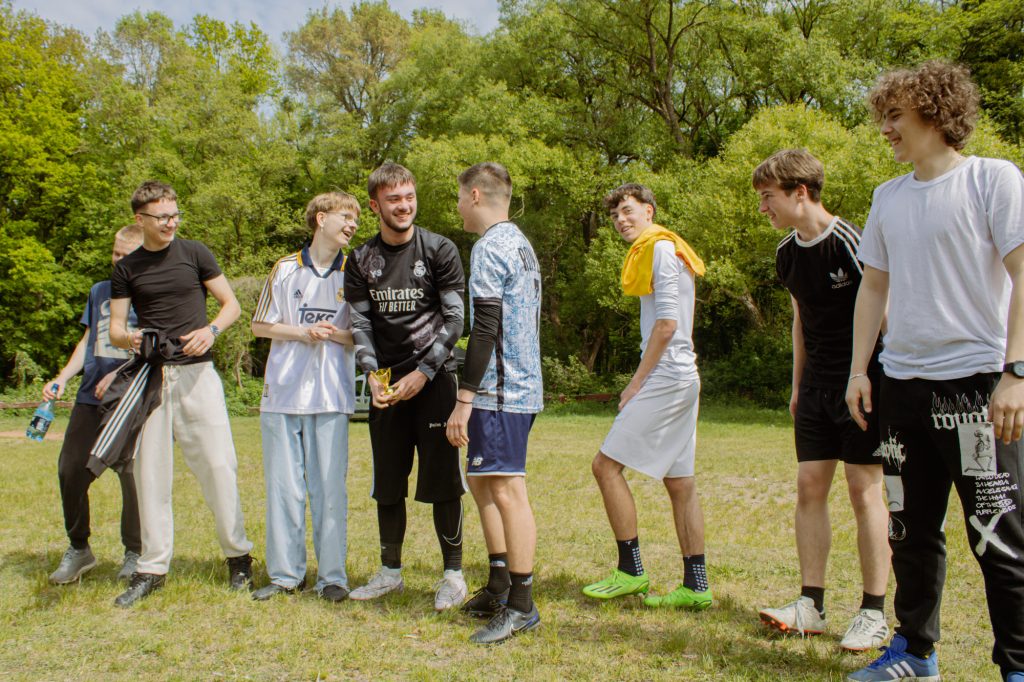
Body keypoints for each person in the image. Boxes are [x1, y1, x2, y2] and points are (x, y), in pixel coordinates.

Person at [845, 61, 1024, 682]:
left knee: (997, 536)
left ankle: (1017, 666)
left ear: (935, 112)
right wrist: (860, 371)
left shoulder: (992, 179)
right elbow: (873, 287)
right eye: (883, 117)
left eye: (895, 116)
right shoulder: (887, 197)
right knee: (909, 533)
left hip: (978, 388)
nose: (886, 129)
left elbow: (1023, 273)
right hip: (900, 390)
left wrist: (1016, 372)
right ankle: (916, 654)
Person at [752, 149, 891, 651]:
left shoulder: (850, 241)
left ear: (800, 192)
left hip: (863, 382)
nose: (763, 207)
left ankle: (873, 612)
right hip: (815, 388)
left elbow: (884, 315)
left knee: (863, 490)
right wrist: (797, 385)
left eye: (768, 196)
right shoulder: (786, 253)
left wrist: (869, 376)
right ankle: (811, 604)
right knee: (810, 486)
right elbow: (800, 320)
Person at [107, 180, 254, 607]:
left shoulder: (195, 253)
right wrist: (131, 338)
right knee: (149, 474)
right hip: (152, 378)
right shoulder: (126, 269)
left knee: (219, 465)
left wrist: (211, 331)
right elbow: (115, 329)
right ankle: (151, 569)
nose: (171, 223)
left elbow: (231, 305)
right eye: (162, 217)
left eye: (175, 215)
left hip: (198, 375)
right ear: (140, 219)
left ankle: (239, 558)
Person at [582, 183, 713, 611]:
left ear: (649, 211)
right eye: (615, 215)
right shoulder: (659, 248)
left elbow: (667, 324)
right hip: (681, 376)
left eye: (628, 210)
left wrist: (636, 382)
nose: (621, 220)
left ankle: (631, 571)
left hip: (667, 377)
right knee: (680, 482)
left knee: (605, 466)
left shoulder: (660, 248)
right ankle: (696, 586)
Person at [343, 163, 468, 611]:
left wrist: (424, 372)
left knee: (443, 481)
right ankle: (389, 573)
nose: (404, 206)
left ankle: (453, 575)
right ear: (375, 205)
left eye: (409, 197)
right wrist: (372, 375)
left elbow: (456, 319)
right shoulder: (360, 260)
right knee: (388, 481)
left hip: (435, 381)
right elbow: (360, 324)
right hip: (388, 386)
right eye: (394, 199)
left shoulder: (439, 249)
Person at [445, 162, 543, 643]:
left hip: (502, 391)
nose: (458, 207)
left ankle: (521, 605)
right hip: (514, 387)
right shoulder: (519, 242)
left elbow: (485, 327)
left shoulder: (488, 247)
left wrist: (464, 398)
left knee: (506, 490)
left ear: (476, 195)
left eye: (459, 197)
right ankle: (500, 584)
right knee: (482, 482)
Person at [250, 192, 358, 603]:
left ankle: (333, 578)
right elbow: (260, 326)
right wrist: (302, 332)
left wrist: (333, 335)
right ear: (321, 219)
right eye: (345, 217)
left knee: (329, 491)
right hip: (282, 395)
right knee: (284, 489)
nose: (352, 225)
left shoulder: (355, 271)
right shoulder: (284, 268)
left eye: (355, 220)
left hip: (331, 395)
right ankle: (285, 576)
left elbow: (362, 334)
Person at [45, 225, 144, 585]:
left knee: (132, 475)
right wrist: (62, 377)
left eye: (125, 256)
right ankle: (79, 548)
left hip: (131, 398)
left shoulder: (153, 293)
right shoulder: (100, 291)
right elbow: (88, 340)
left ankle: (135, 551)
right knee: (70, 470)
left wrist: (119, 375)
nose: (117, 261)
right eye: (115, 253)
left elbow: (155, 347)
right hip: (90, 397)